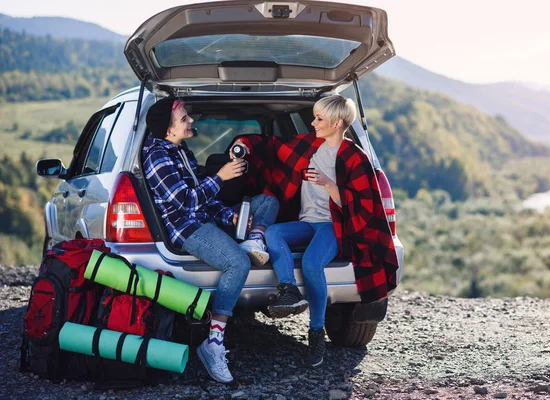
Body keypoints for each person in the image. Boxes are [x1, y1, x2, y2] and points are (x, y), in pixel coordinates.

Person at [234, 95, 399, 368]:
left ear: (336, 123)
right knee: (273, 233)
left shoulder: (355, 157)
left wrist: (329, 184)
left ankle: (316, 333)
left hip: (333, 226)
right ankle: (289, 290)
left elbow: (361, 206)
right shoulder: (311, 145)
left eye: (319, 119)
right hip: (306, 222)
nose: (312, 123)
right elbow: (274, 147)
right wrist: (244, 144)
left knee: (312, 263)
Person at [142, 97, 279, 383]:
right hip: (186, 228)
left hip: (205, 218)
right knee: (238, 264)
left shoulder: (181, 149)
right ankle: (213, 343)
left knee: (266, 203)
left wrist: (229, 215)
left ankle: (252, 238)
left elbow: (206, 201)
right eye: (183, 119)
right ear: (168, 130)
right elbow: (186, 203)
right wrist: (221, 176)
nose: (191, 120)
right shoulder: (157, 156)